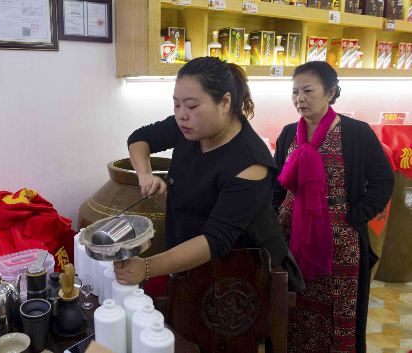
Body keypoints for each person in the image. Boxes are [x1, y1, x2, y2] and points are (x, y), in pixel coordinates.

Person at [113, 56, 305, 295]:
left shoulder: (250, 163)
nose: (182, 114)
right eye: (176, 105)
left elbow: (215, 240)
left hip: (242, 275)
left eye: (192, 106)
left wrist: (147, 267)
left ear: (225, 102)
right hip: (193, 263)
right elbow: (140, 138)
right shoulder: (190, 126)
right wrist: (144, 174)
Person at [273, 61, 394, 353]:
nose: (299, 98)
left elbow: (383, 180)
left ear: (331, 93)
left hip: (340, 241)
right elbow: (276, 184)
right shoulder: (289, 134)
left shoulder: (356, 133)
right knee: (295, 305)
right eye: (294, 92)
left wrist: (354, 217)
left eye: (307, 91)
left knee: (339, 308)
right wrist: (278, 214)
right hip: (293, 237)